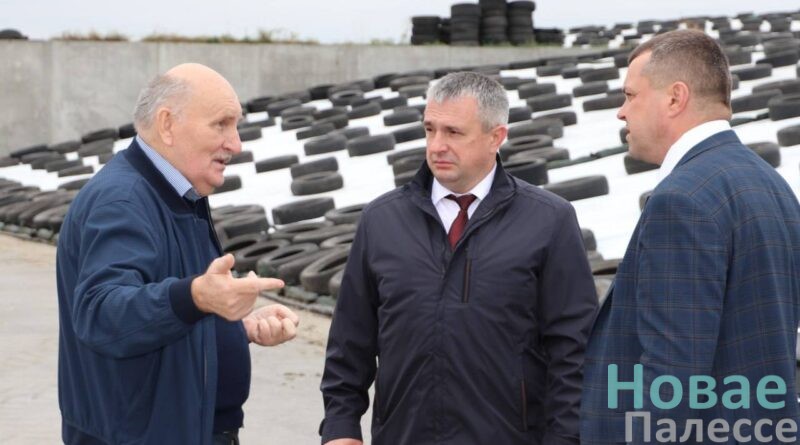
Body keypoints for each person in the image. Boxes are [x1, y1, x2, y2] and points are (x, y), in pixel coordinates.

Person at [319, 71, 598, 445]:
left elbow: (574, 350)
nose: (437, 145)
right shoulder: (381, 220)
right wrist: (340, 428)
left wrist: (565, 439)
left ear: (496, 137)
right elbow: (350, 341)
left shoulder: (549, 221)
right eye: (430, 130)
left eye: (453, 132)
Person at [56, 63, 300, 445]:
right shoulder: (123, 201)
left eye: (236, 126)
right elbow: (101, 313)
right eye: (221, 124)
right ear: (167, 125)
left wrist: (235, 329)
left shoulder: (177, 193)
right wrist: (198, 296)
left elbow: (167, 306)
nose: (236, 144)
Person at [581, 30, 800, 444]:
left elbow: (671, 382)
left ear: (674, 98)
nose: (621, 113)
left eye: (630, 95)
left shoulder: (680, 200)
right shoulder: (770, 183)